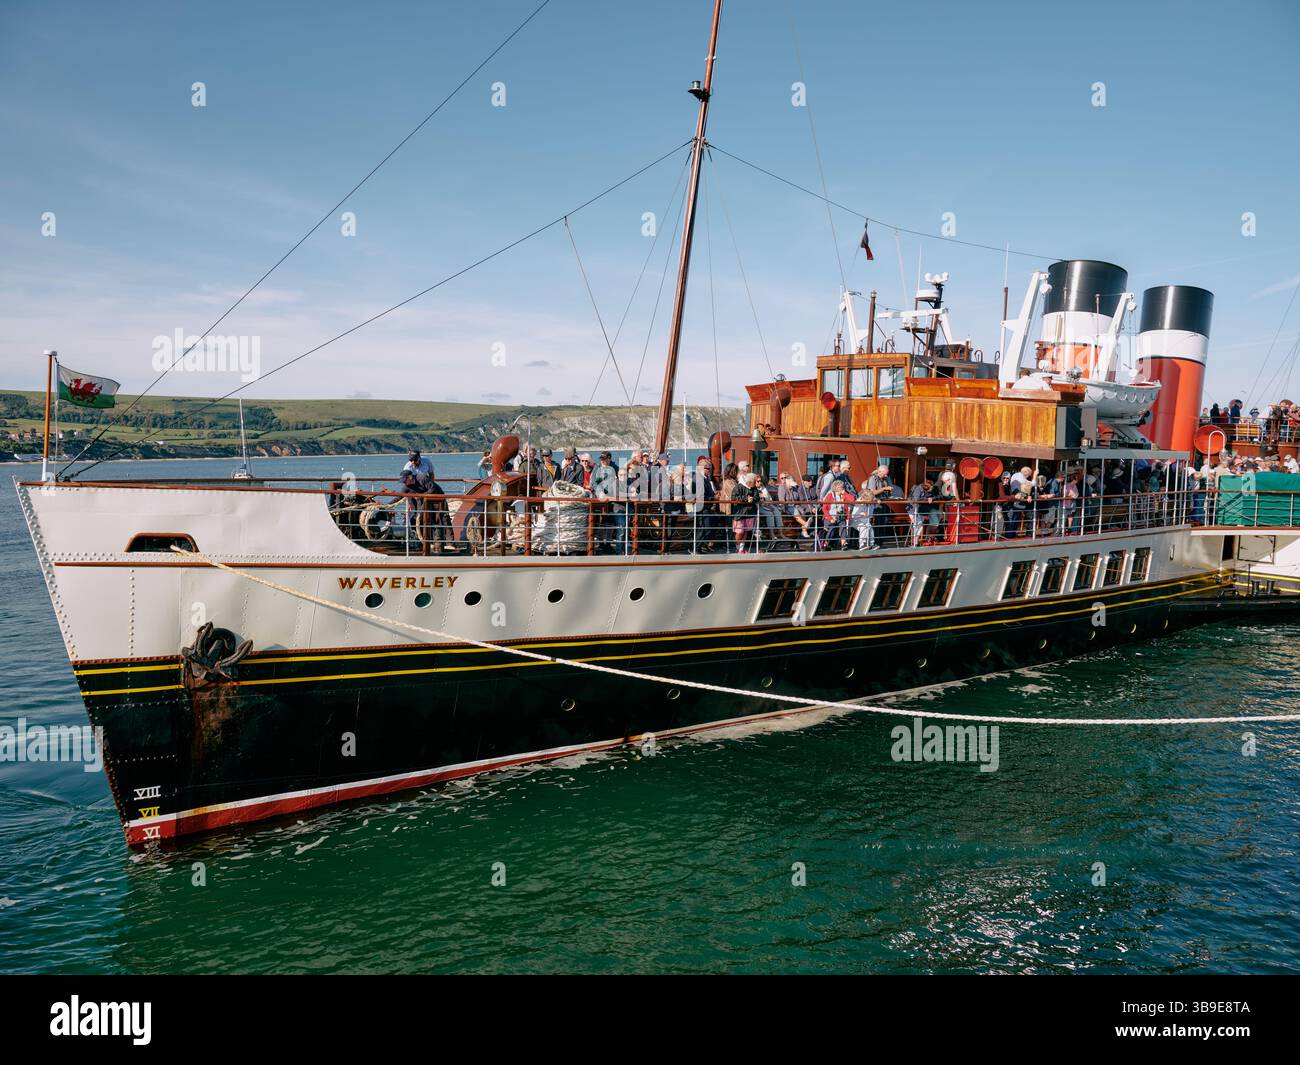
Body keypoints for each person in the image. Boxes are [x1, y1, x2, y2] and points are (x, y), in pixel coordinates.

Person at [820, 479, 855, 550]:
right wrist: (830, 519)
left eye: (842, 487)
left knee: (843, 525)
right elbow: (824, 508)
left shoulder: (844, 495)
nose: (841, 489)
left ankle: (843, 544)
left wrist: (845, 493)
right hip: (829, 517)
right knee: (832, 527)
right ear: (835, 488)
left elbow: (852, 500)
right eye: (839, 487)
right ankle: (826, 544)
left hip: (840, 516)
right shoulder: (830, 495)